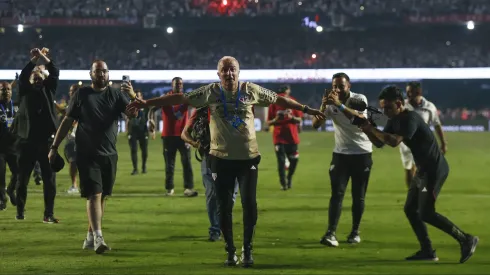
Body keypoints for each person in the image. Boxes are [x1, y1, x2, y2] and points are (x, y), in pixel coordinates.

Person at [127, 56, 325, 267]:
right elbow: (180, 99)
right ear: (218, 73)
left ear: (239, 72)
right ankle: (230, 250)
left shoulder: (251, 90)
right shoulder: (210, 92)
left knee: (250, 205)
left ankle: (247, 249)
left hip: (248, 158)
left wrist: (305, 109)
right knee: (224, 207)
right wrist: (147, 103)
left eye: (233, 70)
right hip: (220, 159)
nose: (229, 73)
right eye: (225, 70)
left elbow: (278, 99)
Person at [358, 85, 478, 263]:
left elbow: (393, 141)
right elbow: (380, 144)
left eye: (388, 107)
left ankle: (466, 239)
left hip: (434, 169)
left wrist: (371, 128)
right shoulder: (394, 118)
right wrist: (367, 130)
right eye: (383, 108)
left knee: (426, 212)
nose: (385, 111)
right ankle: (427, 251)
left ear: (399, 104)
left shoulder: (410, 118)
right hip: (423, 169)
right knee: (410, 209)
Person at [48, 60, 138, 254]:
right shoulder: (82, 94)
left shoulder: (116, 94)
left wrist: (132, 96)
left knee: (103, 196)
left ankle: (90, 236)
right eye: (98, 71)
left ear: (108, 73)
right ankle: (99, 238)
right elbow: (67, 120)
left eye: (104, 71)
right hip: (86, 153)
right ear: (91, 74)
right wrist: (54, 146)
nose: (101, 74)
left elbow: (134, 115)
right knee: (94, 194)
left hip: (110, 153)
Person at [312, 73, 373, 247]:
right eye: (334, 86)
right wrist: (324, 105)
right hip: (340, 155)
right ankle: (331, 233)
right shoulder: (331, 104)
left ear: (349, 86)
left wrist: (338, 104)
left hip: (362, 153)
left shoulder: (359, 99)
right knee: (337, 194)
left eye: (341, 86)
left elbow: (360, 119)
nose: (337, 89)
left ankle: (355, 232)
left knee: (358, 196)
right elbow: (316, 125)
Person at [12, 48, 59, 223]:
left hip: (46, 143)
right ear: (31, 79)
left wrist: (43, 58)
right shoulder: (24, 90)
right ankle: (20, 212)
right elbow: (23, 75)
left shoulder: (49, 90)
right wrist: (34, 59)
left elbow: (55, 71)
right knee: (22, 180)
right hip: (27, 142)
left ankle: (48, 214)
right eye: (35, 75)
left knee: (50, 181)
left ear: (45, 79)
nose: (37, 76)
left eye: (41, 74)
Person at [181, 106, 239, 242]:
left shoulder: (231, 111)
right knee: (212, 194)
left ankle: (223, 226)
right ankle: (215, 229)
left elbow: (243, 128)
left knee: (230, 196)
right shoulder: (200, 111)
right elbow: (184, 133)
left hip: (232, 156)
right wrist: (194, 143)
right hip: (210, 157)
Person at [149, 77, 197, 197]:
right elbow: (152, 109)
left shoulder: (186, 98)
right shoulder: (165, 98)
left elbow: (198, 108)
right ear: (172, 85)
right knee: (169, 164)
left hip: (184, 136)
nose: (179, 85)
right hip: (168, 136)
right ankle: (170, 189)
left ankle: (188, 188)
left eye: (181, 84)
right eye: (177, 84)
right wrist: (150, 120)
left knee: (187, 163)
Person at [400, 82, 447, 188]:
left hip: (422, 145)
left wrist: (444, 143)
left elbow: (437, 124)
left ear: (418, 92)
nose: (407, 94)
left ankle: (420, 195)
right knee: (408, 170)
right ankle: (412, 195)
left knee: (420, 170)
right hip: (405, 145)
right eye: (407, 91)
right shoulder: (402, 106)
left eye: (410, 91)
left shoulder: (429, 107)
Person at [267, 85, 302, 190]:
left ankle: (285, 181)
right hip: (282, 138)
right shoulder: (276, 103)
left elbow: (269, 122)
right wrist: (277, 119)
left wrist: (291, 118)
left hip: (288, 137)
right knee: (289, 160)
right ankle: (286, 182)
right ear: (287, 91)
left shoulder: (290, 102)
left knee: (283, 162)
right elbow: (299, 120)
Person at [55, 84, 80, 194]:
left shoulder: (81, 103)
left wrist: (53, 103)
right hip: (71, 137)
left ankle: (77, 186)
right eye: (70, 90)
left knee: (77, 162)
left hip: (82, 136)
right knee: (72, 161)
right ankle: (75, 185)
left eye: (74, 90)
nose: (71, 92)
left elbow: (65, 113)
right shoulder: (69, 104)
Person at [0, 81, 18, 210]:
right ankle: (2, 200)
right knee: (0, 175)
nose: (6, 91)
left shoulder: (17, 106)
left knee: (19, 173)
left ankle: (11, 189)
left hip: (14, 147)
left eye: (8, 89)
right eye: (3, 89)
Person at [126, 89, 149, 175]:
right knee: (133, 150)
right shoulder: (130, 106)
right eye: (136, 96)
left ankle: (143, 167)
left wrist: (151, 129)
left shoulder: (146, 106)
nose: (137, 97)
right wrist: (128, 130)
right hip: (133, 131)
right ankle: (135, 169)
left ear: (141, 97)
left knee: (144, 151)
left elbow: (150, 117)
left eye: (139, 96)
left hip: (143, 131)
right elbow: (127, 118)